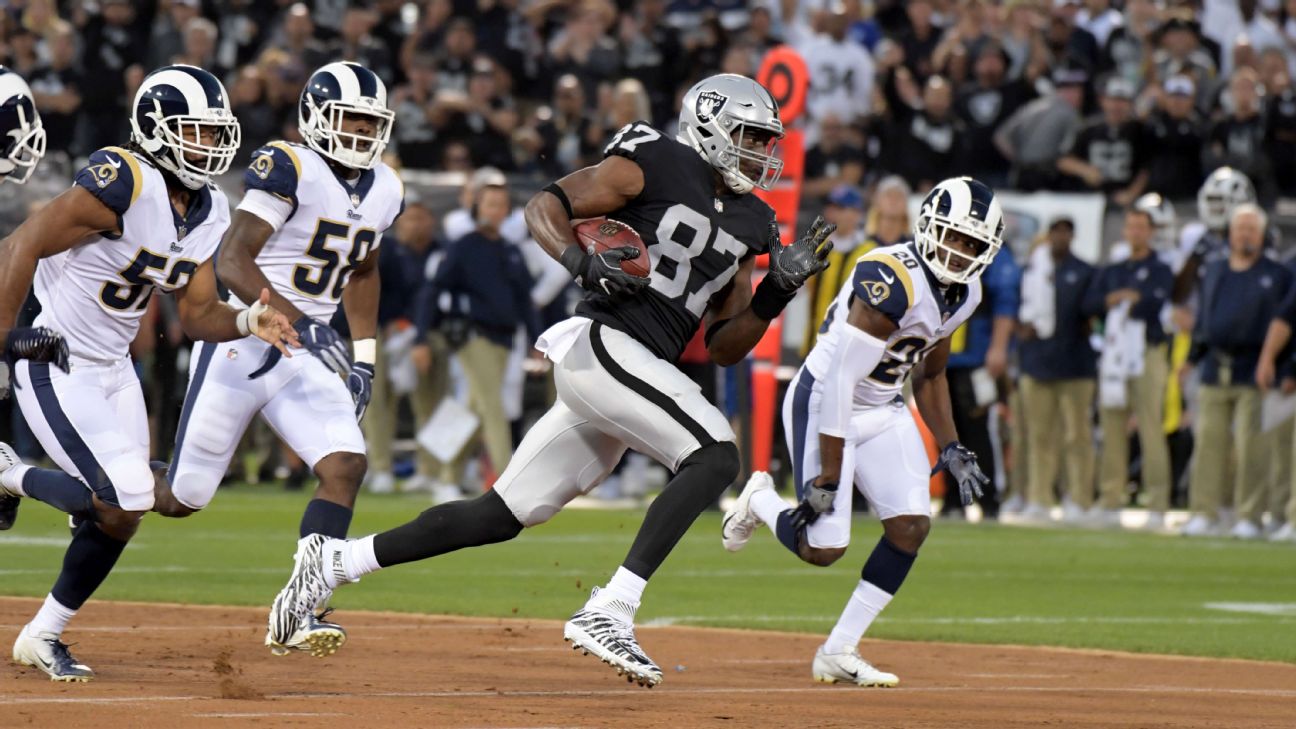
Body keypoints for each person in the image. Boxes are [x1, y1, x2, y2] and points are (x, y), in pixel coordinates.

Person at [265, 74, 832, 687]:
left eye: (765, 140)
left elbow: (723, 347)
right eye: (748, 135)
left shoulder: (753, 220)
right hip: (604, 344)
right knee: (716, 455)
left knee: (501, 514)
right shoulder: (656, 159)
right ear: (708, 125)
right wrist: (581, 264)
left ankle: (333, 564)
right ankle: (611, 608)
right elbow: (546, 206)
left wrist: (776, 292)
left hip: (638, 368)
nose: (760, 152)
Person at [0, 65, 295, 682]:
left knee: (145, 505)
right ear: (156, 129)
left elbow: (195, 314)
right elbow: (20, 243)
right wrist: (4, 339)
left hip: (113, 367)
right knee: (125, 493)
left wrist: (248, 321)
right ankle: (9, 473)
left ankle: (42, 635)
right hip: (56, 358)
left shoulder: (210, 208)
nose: (209, 148)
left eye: (216, 136)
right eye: (195, 133)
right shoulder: (123, 178)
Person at [150, 62, 404, 656]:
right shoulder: (289, 163)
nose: (363, 134)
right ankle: (98, 485)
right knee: (180, 500)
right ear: (317, 115)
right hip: (246, 338)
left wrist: (364, 357)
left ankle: (302, 604)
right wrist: (308, 324)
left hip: (307, 348)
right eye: (352, 120)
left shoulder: (388, 186)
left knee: (345, 464)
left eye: (372, 123)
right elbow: (234, 262)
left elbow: (363, 268)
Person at [722, 176, 1003, 687]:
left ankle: (838, 649)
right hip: (827, 397)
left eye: (973, 245)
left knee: (912, 525)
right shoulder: (890, 275)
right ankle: (760, 499)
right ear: (929, 224)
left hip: (883, 406)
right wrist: (829, 476)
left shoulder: (967, 292)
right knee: (823, 547)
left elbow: (932, 372)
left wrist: (951, 444)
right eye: (954, 237)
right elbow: (842, 380)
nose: (960, 253)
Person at [413, 182, 538, 483]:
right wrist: (420, 339)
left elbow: (525, 300)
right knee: (493, 406)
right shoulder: (464, 246)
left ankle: (447, 477)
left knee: (473, 409)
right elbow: (433, 290)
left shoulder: (510, 250)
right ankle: (509, 482)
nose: (496, 210)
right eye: (490, 203)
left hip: (505, 339)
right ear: (476, 209)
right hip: (473, 335)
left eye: (501, 204)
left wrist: (537, 339)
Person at [1183, 205, 1292, 538]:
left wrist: (1281, 365)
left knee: (1252, 448)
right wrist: (1192, 357)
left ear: (1262, 235)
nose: (1244, 235)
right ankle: (1204, 511)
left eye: (1251, 229)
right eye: (1239, 228)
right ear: (1229, 233)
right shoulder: (1214, 270)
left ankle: (1249, 515)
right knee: (1208, 444)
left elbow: (1287, 324)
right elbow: (1204, 319)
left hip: (1253, 368)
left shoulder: (1276, 274)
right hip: (1216, 366)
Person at [1089, 206, 1174, 528]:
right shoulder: (1115, 269)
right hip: (1113, 353)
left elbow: (1155, 303)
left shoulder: (1160, 268)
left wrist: (1126, 298)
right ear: (1125, 230)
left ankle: (1158, 503)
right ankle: (1110, 498)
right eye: (1131, 226)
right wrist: (1123, 297)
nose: (1136, 232)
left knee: (1151, 426)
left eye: (1142, 227)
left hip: (1146, 352)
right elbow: (1094, 302)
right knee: (1111, 426)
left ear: (1151, 232)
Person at [1016, 217, 1101, 523]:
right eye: (1056, 230)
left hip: (1075, 363)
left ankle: (1079, 498)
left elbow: (1092, 313)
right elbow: (1017, 308)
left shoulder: (1085, 271)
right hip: (1038, 362)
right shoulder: (1030, 270)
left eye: (1066, 230)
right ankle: (1039, 497)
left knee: (1077, 435)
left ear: (1072, 235)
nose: (1060, 236)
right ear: (1049, 235)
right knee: (1039, 436)